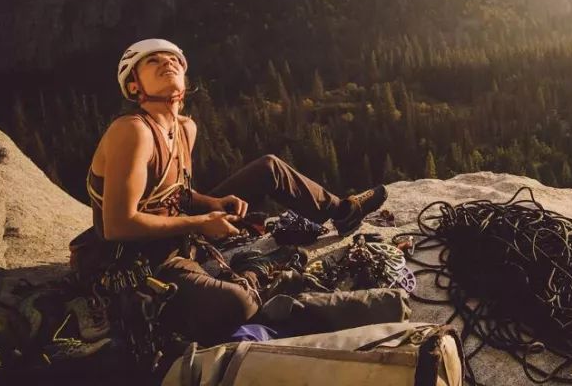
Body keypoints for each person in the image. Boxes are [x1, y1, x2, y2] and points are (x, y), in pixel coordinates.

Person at [77, 38, 387, 344]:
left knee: (270, 168)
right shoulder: (132, 131)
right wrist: (199, 223)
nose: (167, 63)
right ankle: (251, 273)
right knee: (238, 305)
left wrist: (214, 203)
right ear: (134, 87)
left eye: (173, 60)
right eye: (153, 61)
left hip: (176, 234)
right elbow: (117, 225)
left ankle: (341, 212)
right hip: (135, 260)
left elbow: (176, 194)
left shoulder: (185, 128)